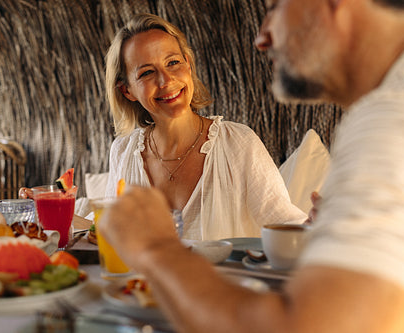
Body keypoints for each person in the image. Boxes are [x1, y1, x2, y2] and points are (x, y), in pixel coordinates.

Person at [99, 1, 404, 332]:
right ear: (127, 90)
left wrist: (156, 248)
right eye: (147, 72)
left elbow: (302, 327)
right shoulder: (402, 102)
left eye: (276, 6)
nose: (261, 37)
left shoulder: (395, 119)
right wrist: (329, 232)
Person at [104, 13, 306, 240]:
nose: (166, 80)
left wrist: (324, 226)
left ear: (188, 66)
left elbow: (285, 222)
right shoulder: (122, 152)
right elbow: (111, 236)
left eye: (173, 63)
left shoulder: (238, 144)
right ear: (127, 90)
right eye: (147, 72)